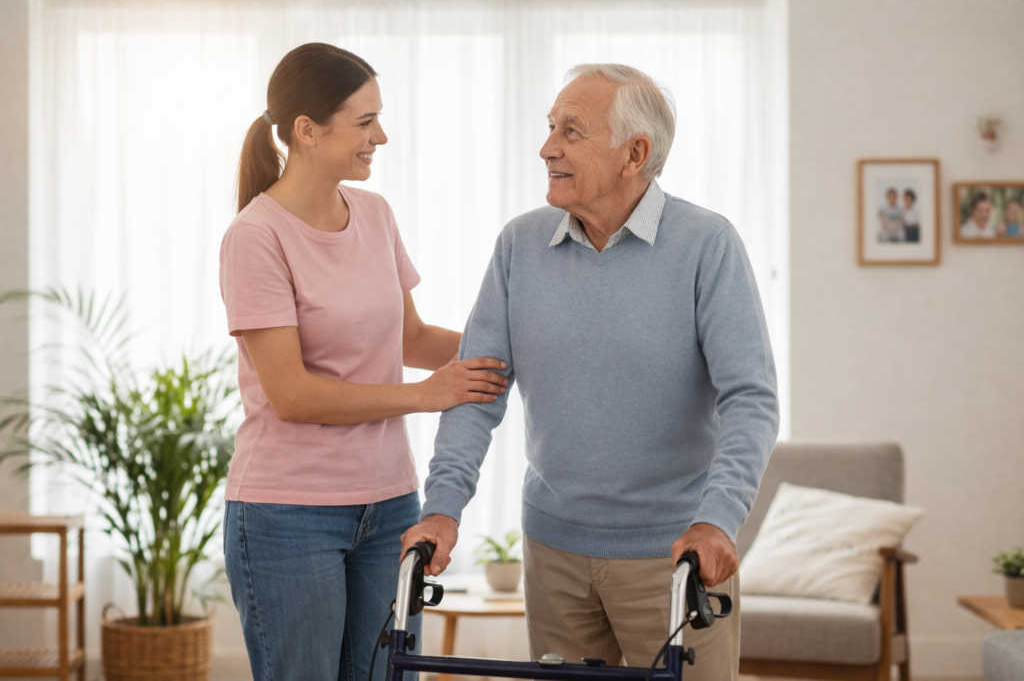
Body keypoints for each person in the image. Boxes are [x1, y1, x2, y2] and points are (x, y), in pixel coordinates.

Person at [401, 64, 779, 681]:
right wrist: (443, 506)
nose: (547, 146)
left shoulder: (707, 245)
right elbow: (477, 389)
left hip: (674, 555)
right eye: (551, 126)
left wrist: (717, 520)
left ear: (635, 154)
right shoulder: (519, 245)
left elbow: (751, 398)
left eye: (571, 131)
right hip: (554, 551)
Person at [219, 43, 508, 681]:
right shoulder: (257, 237)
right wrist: (426, 395)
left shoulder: (374, 215)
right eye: (364, 121)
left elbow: (410, 338)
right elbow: (292, 394)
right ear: (306, 130)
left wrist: (515, 351)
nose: (381, 135)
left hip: (390, 507)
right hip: (286, 514)